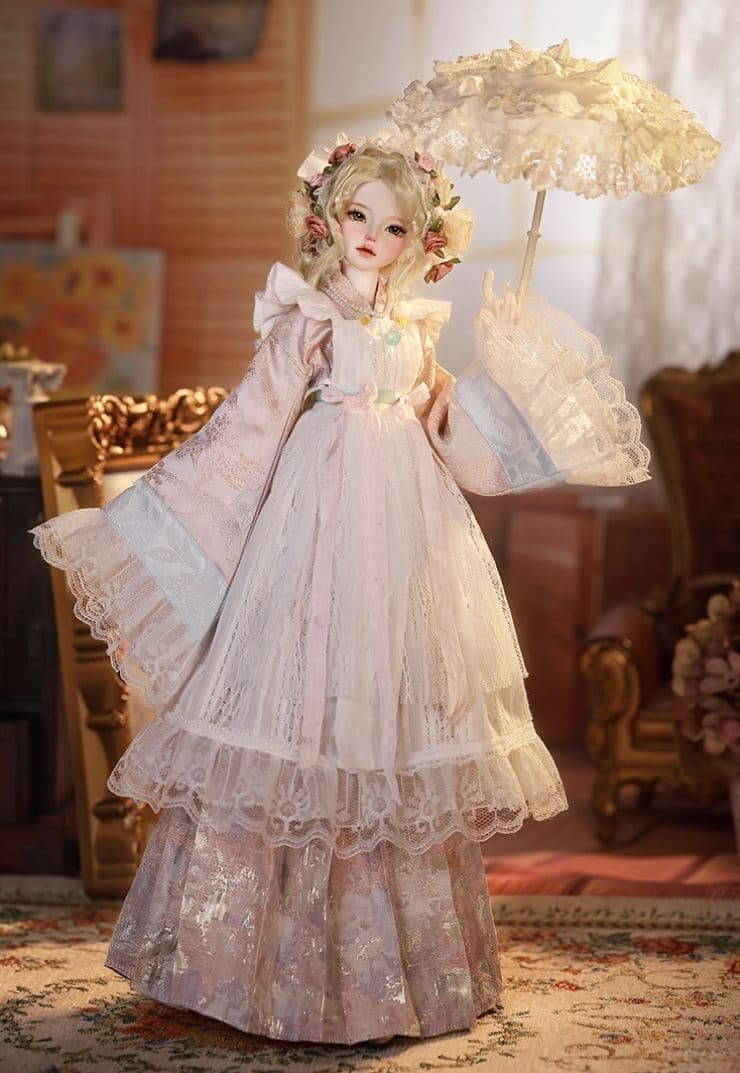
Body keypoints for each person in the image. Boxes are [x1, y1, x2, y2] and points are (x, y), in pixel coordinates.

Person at [31, 130, 650, 1046]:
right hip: (316, 520)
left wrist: (505, 373)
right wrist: (163, 518)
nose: (371, 235)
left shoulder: (419, 325)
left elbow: (450, 433)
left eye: (392, 225)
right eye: (358, 214)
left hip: (407, 524)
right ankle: (245, 970)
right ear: (328, 215)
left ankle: (392, 975)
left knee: (390, 698)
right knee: (302, 694)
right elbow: (249, 426)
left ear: (418, 238)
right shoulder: (309, 319)